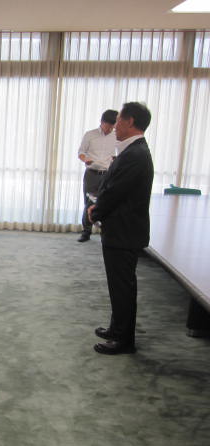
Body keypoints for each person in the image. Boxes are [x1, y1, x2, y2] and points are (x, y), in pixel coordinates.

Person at [88, 102, 154, 355]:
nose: (115, 126)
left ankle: (124, 340)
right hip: (121, 229)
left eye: (118, 121)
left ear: (130, 121)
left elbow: (116, 192)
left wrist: (96, 211)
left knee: (123, 287)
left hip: (124, 232)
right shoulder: (133, 151)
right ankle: (117, 329)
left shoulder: (135, 154)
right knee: (119, 286)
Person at [77, 109, 118, 242]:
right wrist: (85, 159)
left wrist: (115, 160)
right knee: (89, 202)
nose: (110, 129)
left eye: (113, 126)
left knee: (106, 203)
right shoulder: (90, 135)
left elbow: (119, 153)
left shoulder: (116, 136)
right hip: (92, 174)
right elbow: (81, 152)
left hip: (107, 174)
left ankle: (104, 232)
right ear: (101, 122)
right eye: (108, 125)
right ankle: (86, 232)